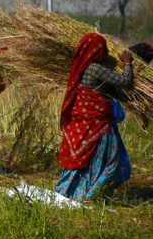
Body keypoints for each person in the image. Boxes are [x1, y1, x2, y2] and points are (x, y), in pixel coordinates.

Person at [55, 33, 134, 201]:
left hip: (88, 122)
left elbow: (107, 89)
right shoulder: (95, 68)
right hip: (99, 124)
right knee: (111, 161)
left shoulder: (82, 67)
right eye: (102, 48)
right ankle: (91, 196)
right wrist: (127, 62)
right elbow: (125, 82)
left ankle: (76, 191)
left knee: (89, 160)